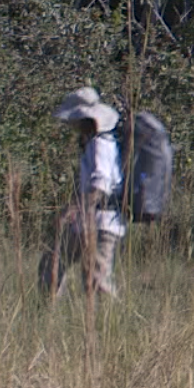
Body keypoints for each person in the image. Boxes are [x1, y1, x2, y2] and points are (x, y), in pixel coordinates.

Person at [38, 87, 126, 300]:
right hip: (89, 221)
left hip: (101, 222)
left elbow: (100, 183)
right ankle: (48, 310)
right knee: (52, 263)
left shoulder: (101, 144)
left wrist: (76, 208)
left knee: (97, 281)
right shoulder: (92, 143)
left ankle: (111, 318)